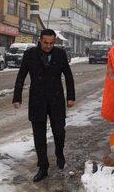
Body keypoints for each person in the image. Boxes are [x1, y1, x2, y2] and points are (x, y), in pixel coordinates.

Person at [13, 29, 75, 182]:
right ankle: (43, 167)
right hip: (37, 99)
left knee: (59, 132)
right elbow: (21, 75)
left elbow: (68, 76)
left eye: (51, 43)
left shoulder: (60, 54)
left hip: (56, 99)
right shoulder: (30, 54)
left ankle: (59, 154)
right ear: (40, 40)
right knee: (39, 136)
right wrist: (17, 97)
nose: (48, 46)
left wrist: (71, 97)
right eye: (45, 43)